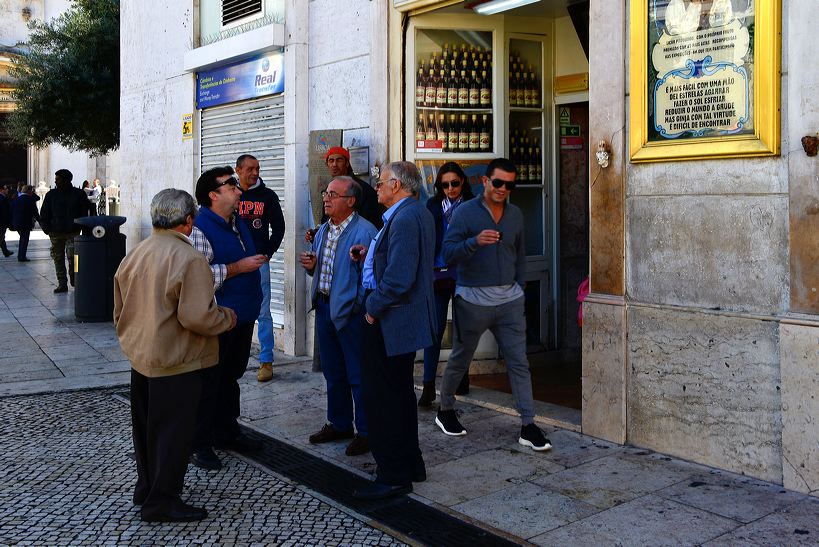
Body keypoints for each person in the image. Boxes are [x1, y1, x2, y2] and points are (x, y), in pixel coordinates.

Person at [113, 188, 237, 522]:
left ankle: (147, 488)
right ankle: (161, 501)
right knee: (173, 434)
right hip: (177, 361)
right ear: (188, 221)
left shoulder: (137, 252)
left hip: (143, 359)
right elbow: (197, 316)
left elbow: (119, 309)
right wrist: (226, 318)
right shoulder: (188, 258)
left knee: (147, 431)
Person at [435, 158, 552, 452]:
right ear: (485, 182)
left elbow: (521, 254)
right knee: (461, 358)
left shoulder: (515, 214)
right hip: (472, 300)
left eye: (509, 185)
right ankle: (445, 409)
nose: (503, 189)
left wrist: (520, 288)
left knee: (519, 363)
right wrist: (474, 241)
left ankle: (528, 424)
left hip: (510, 301)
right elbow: (448, 253)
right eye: (498, 183)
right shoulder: (464, 213)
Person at [350, 161, 436, 501]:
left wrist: (372, 310)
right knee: (399, 394)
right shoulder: (411, 214)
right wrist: (368, 257)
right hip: (396, 318)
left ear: (398, 185)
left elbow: (400, 277)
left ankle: (393, 474)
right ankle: (410, 463)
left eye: (381, 182)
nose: (376, 187)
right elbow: (397, 262)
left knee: (382, 398)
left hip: (390, 319)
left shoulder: (406, 217)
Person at [189, 166, 267, 471]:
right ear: (213, 195)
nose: (238, 188)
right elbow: (197, 276)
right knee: (211, 380)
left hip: (243, 314)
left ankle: (227, 431)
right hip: (219, 317)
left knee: (230, 376)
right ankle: (201, 442)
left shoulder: (237, 221)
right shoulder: (199, 228)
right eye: (230, 185)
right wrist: (238, 267)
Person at [300, 176, 376, 456]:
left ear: (351, 201)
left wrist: (357, 307)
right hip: (324, 308)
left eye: (334, 194)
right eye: (326, 193)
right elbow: (324, 269)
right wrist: (311, 267)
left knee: (357, 373)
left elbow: (368, 278)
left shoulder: (365, 232)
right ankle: (339, 422)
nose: (326, 198)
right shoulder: (323, 231)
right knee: (333, 371)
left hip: (351, 313)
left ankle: (366, 431)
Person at [417, 163, 475, 408]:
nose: (450, 189)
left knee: (463, 332)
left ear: (463, 182)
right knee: (434, 330)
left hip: (465, 275)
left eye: (455, 183)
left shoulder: (474, 206)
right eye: (445, 184)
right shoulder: (431, 206)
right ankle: (428, 385)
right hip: (437, 275)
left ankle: (462, 378)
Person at [234, 154, 286, 383]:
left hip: (258, 264)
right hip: (233, 265)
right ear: (238, 170)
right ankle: (231, 356)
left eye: (257, 168)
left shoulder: (267, 196)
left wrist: (268, 252)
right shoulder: (230, 195)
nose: (255, 173)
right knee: (231, 308)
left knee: (263, 312)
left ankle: (266, 360)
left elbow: (280, 227)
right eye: (250, 169)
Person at [39, 169, 95, 293]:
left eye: (58, 179)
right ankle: (62, 284)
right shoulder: (51, 195)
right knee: (58, 258)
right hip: (55, 232)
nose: (55, 181)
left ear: (66, 180)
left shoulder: (78, 194)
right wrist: (47, 229)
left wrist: (81, 228)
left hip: (72, 232)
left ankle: (75, 281)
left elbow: (84, 213)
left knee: (73, 258)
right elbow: (44, 213)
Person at [322, 147, 383, 229]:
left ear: (347, 163)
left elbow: (370, 223)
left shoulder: (363, 190)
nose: (334, 164)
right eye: (331, 161)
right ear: (327, 165)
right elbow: (325, 220)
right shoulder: (328, 189)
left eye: (339, 160)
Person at [11, 185, 40, 262]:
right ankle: (22, 257)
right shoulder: (30, 199)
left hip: (17, 223)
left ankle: (21, 255)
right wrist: (40, 221)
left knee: (22, 239)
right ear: (29, 191)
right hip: (25, 223)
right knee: (24, 240)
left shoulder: (17, 199)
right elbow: (35, 212)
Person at [0, 185, 13, 258]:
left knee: (2, 237)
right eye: (6, 189)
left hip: (2, 222)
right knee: (1, 237)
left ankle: (6, 252)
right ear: (1, 190)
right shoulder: (2, 198)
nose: (7, 190)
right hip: (2, 222)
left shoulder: (3, 198)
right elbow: (4, 212)